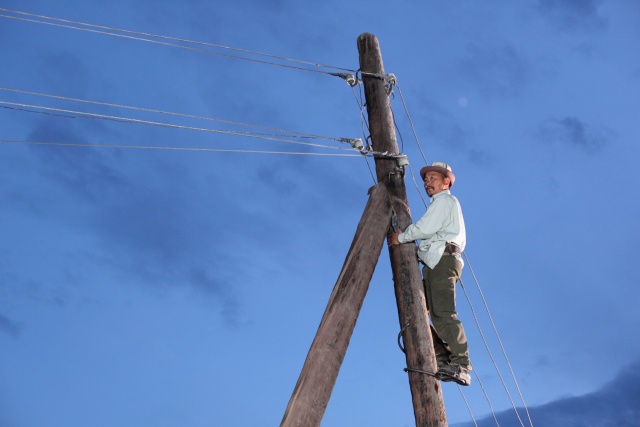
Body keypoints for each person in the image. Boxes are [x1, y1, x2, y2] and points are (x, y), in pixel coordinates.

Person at [389, 161, 471, 386]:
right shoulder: (441, 204)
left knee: (443, 313)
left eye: (433, 178)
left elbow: (425, 228)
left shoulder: (445, 201)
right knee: (416, 313)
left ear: (446, 182)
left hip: (443, 260)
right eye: (426, 179)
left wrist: (401, 237)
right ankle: (443, 357)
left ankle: (461, 364)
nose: (427, 182)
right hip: (437, 260)